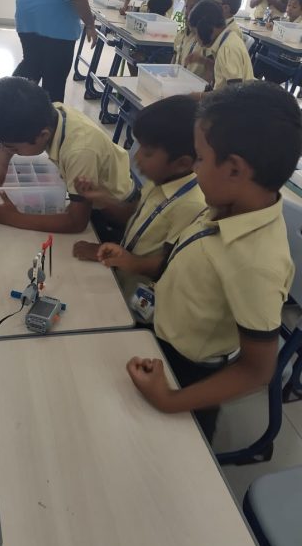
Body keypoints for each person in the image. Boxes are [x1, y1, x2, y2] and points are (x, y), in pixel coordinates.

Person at [120, 81, 301, 442]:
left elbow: (256, 370)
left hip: (190, 371)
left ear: (234, 169)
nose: (194, 167)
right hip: (161, 331)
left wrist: (170, 400)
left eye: (200, 158)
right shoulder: (225, 202)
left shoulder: (257, 263)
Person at [73, 96, 206, 306]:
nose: (137, 157)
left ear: (182, 163)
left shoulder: (192, 205)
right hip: (122, 281)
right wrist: (101, 198)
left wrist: (128, 261)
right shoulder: (160, 179)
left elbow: (168, 264)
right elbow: (133, 215)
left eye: (148, 153)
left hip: (144, 303)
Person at [0, 77, 137, 234]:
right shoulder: (50, 113)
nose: (7, 150)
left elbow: (76, 223)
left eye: (14, 148)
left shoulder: (79, 152)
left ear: (43, 135)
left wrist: (11, 217)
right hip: (92, 195)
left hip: (116, 213)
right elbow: (10, 138)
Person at [188, 0, 254, 91]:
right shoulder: (225, 41)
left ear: (206, 27)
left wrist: (199, 96)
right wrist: (203, 61)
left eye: (195, 33)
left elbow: (234, 92)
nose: (195, 39)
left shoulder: (228, 48)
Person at [253, 0, 302, 84]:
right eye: (288, 5)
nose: (289, 9)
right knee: (260, 48)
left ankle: (255, 80)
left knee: (262, 54)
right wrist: (273, 27)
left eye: (294, 7)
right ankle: (254, 79)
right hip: (275, 56)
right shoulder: (285, 20)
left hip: (287, 62)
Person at [172, 0, 216, 82]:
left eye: (192, 8)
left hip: (196, 87)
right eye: (186, 7)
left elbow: (211, 72)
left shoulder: (209, 40)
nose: (187, 12)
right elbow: (174, 60)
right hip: (178, 82)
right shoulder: (181, 34)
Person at [127, 0, 174, 74]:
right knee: (132, 58)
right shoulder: (167, 22)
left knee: (132, 59)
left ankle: (136, 79)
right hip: (158, 56)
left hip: (154, 57)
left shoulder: (156, 23)